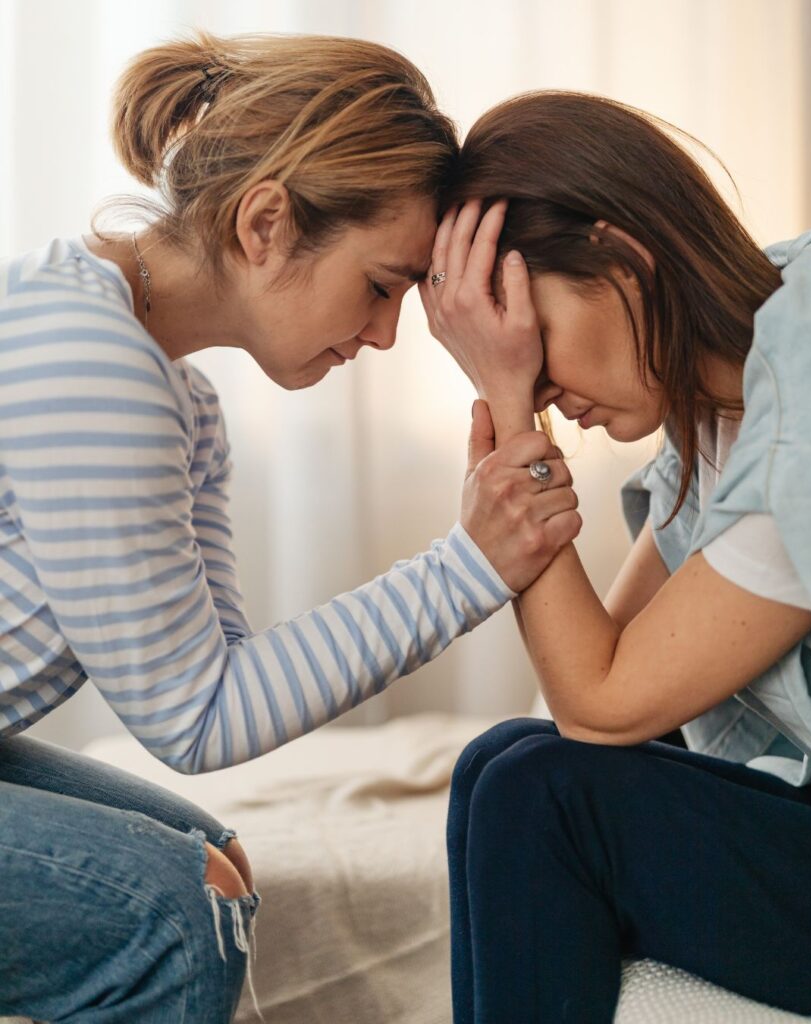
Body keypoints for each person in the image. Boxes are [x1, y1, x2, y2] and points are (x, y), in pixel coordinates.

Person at [0, 36, 581, 1022]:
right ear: (267, 221)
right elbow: (196, 718)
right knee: (183, 915)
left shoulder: (179, 401)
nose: (388, 333)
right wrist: (465, 569)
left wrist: (471, 563)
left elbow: (221, 670)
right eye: (383, 284)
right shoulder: (90, 359)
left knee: (216, 859)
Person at [423, 91, 811, 1022]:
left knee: (540, 790)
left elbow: (600, 703)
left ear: (623, 258)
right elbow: (608, 671)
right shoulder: (716, 406)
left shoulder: (803, 386)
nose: (547, 393)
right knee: (504, 760)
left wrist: (507, 414)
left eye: (532, 344)